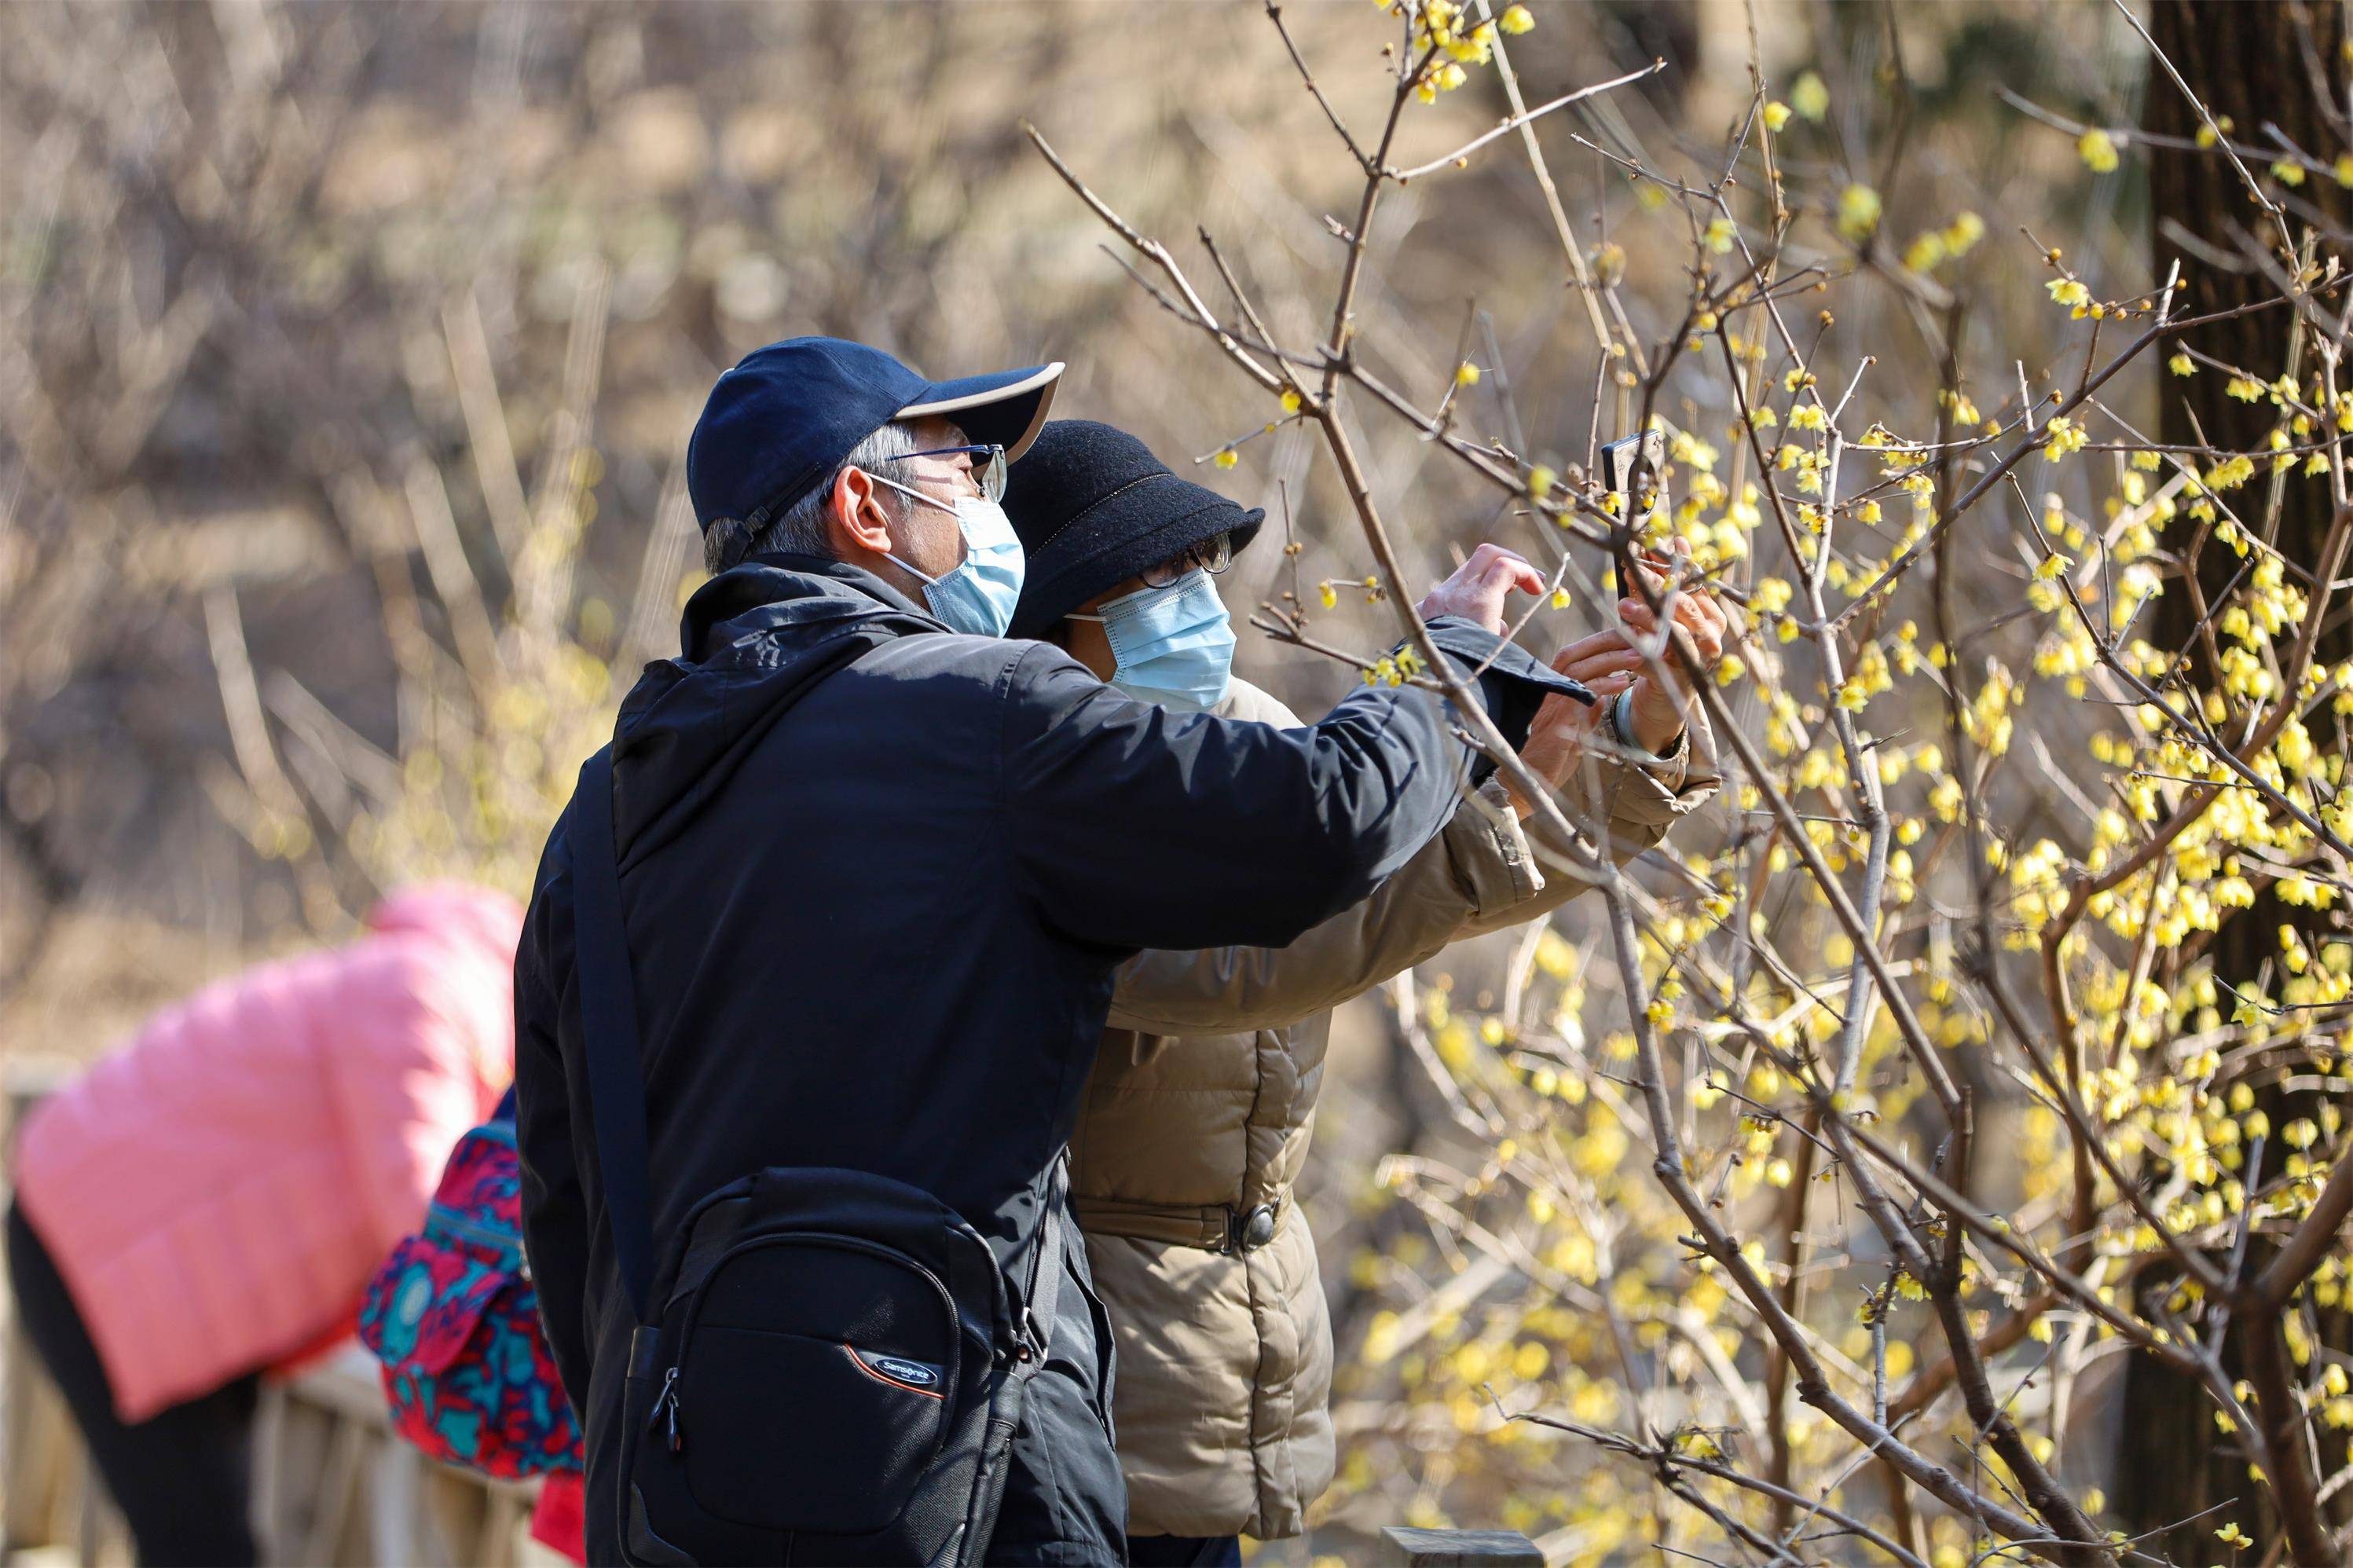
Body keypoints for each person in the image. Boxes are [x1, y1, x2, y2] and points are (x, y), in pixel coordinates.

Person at [511, 337, 1586, 1566]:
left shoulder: (600, 812)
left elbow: (565, 1199)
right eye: (967, 468)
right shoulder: (983, 713)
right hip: (965, 1484)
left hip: (679, 1494)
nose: (991, 504)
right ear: (864, 509)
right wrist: (1445, 672)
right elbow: (1320, 825)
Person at [999, 422, 1725, 1565]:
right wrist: (1475, 772)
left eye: (1193, 571)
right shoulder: (1045, 791)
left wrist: (1642, 729)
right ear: (1051, 633)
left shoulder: (1250, 739)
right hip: (1080, 1372)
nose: (1189, 605)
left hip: (1234, 1358)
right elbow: (1285, 951)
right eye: (1140, 588)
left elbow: (1433, 884)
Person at [7, 884, 522, 1567]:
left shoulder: (419, 988)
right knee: (202, 1545)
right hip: (95, 1247)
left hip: (154, 1269)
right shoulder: (420, 995)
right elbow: (429, 1223)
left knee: (205, 1539)